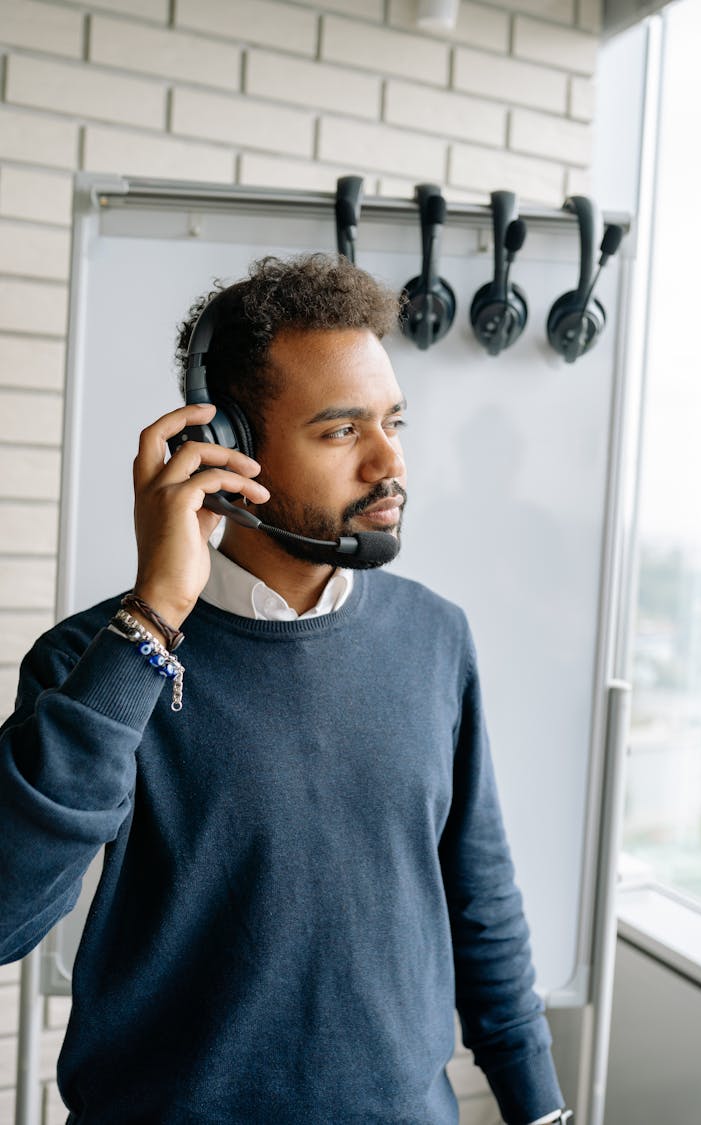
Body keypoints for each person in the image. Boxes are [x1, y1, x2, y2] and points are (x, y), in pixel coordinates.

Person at [0, 255, 568, 1125]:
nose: (390, 460)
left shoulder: (435, 637)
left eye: (393, 421)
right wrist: (152, 619)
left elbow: (480, 903)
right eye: (342, 431)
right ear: (230, 451)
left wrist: (541, 1110)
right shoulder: (97, 660)